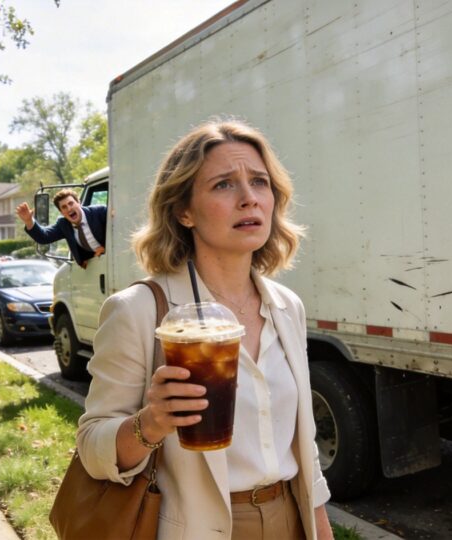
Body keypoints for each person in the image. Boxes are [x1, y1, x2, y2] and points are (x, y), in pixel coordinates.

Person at [76, 120, 334, 539]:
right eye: (223, 185)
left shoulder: (287, 307)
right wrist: (152, 422)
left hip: (291, 518)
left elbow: (304, 446)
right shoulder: (138, 310)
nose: (249, 198)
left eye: (260, 182)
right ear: (184, 211)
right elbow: (92, 448)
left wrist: (321, 530)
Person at [15, 189, 106, 268]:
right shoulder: (64, 224)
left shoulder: (99, 212)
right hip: (95, 267)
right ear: (61, 212)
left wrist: (106, 248)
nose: (69, 209)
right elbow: (44, 237)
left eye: (71, 203)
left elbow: (115, 229)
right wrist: (29, 221)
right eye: (64, 207)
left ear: (79, 203)